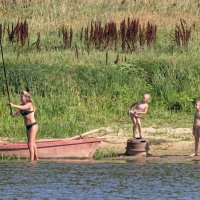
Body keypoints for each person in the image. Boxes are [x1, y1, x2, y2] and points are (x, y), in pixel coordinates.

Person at [9, 91, 38, 161]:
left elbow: (24, 107)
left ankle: (31, 160)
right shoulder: (21, 105)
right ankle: (36, 158)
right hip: (27, 127)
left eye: (22, 96)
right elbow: (17, 114)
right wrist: (12, 114)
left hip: (33, 126)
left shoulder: (29, 104)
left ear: (26, 98)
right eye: (20, 96)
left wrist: (13, 105)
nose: (20, 98)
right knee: (32, 142)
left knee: (30, 143)